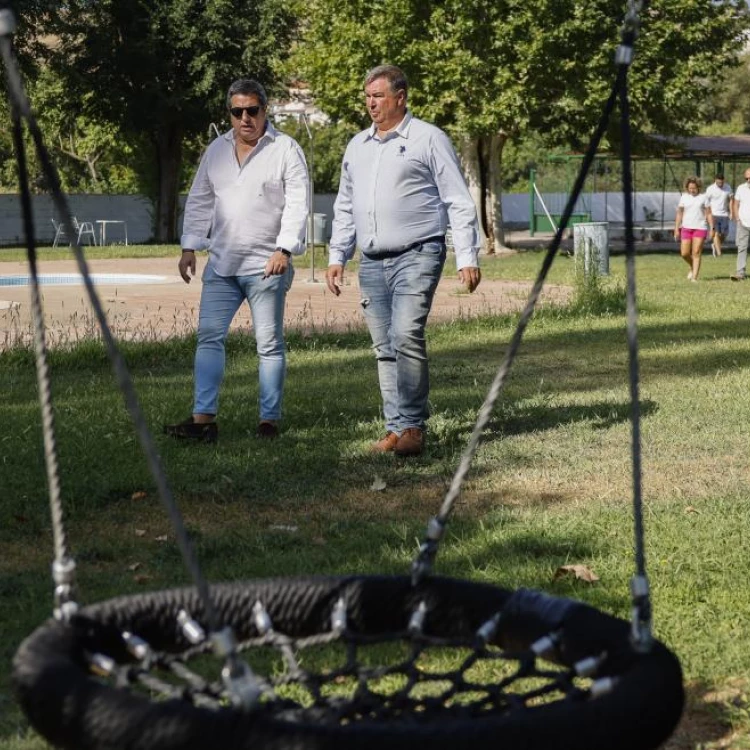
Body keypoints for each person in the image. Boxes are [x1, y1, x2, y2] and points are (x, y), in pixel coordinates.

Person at [326, 64, 481, 458]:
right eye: (367, 97)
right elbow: (345, 206)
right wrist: (337, 255)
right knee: (384, 346)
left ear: (401, 97)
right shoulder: (357, 146)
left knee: (406, 333)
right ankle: (395, 428)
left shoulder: (429, 139)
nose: (371, 104)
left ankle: (412, 426)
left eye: (378, 96)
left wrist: (467, 254)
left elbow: (457, 200)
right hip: (372, 260)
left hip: (419, 252)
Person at [164, 78, 309, 442]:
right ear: (229, 113)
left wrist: (284, 249)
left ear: (265, 110)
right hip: (222, 265)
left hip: (266, 266)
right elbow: (199, 199)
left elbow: (297, 204)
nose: (245, 118)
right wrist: (189, 247)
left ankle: (268, 421)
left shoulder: (286, 149)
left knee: (269, 343)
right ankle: (203, 420)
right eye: (237, 111)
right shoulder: (215, 150)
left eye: (252, 111)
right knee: (209, 337)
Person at [673, 176, 713, 282]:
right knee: (684, 253)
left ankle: (694, 278)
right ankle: (692, 266)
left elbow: (708, 213)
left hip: (700, 228)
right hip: (686, 228)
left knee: (696, 252)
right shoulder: (684, 197)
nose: (692, 190)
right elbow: (679, 213)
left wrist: (712, 228)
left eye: (694, 188)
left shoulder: (704, 197)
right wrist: (676, 228)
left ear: (698, 187)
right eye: (690, 188)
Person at [704, 173, 732, 256]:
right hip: (713, 214)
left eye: (721, 182)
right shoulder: (710, 189)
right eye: (718, 182)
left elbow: (731, 200)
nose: (720, 184)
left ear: (724, 180)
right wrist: (707, 214)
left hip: (724, 214)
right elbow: (706, 202)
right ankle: (719, 254)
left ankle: (715, 245)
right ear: (715, 180)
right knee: (715, 233)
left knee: (724, 234)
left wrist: (731, 212)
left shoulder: (728, 187)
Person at [731, 167, 750, 281]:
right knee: (742, 248)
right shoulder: (741, 188)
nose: (748, 180)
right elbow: (735, 204)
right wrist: (737, 218)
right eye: (746, 178)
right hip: (743, 223)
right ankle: (740, 273)